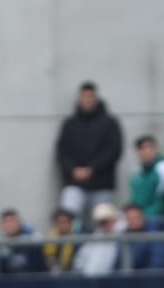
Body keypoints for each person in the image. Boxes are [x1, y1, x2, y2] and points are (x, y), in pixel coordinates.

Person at [53, 81, 124, 221]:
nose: (87, 100)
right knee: (67, 219)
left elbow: (114, 150)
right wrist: (73, 169)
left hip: (102, 184)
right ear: (79, 98)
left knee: (103, 224)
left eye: (90, 96)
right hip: (74, 184)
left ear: (96, 98)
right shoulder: (69, 124)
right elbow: (61, 151)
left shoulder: (110, 123)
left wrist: (92, 169)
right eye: (84, 96)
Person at [0, 208, 40, 276]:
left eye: (12, 221)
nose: (9, 224)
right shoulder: (1, 244)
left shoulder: (32, 240)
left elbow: (39, 269)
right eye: (6, 221)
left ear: (19, 222)